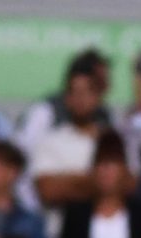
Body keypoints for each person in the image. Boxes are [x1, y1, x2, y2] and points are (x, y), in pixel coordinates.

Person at [24, 60, 108, 208]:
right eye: (74, 92)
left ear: (98, 97)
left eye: (87, 91)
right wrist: (99, 182)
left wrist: (68, 181)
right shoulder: (49, 142)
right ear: (66, 98)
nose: (80, 98)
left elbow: (127, 185)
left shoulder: (113, 141)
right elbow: (48, 190)